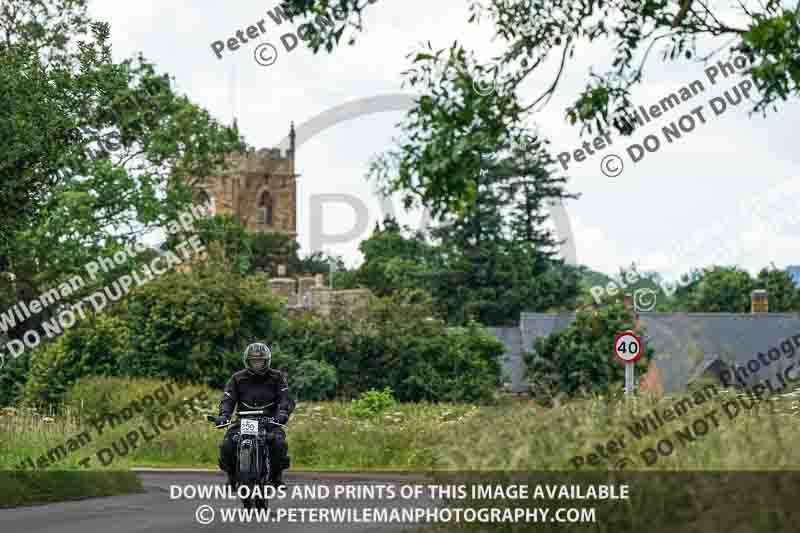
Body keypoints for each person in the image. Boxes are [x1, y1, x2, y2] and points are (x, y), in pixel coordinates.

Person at [217, 342, 292, 487]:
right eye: (253, 360)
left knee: (279, 444)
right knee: (227, 445)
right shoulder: (236, 378)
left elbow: (285, 398)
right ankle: (232, 477)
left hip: (269, 421)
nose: (257, 363)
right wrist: (224, 415)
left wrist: (283, 412)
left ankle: (276, 477)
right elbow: (228, 399)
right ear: (247, 361)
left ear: (266, 361)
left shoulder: (277, 377)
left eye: (260, 360)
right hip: (244, 421)